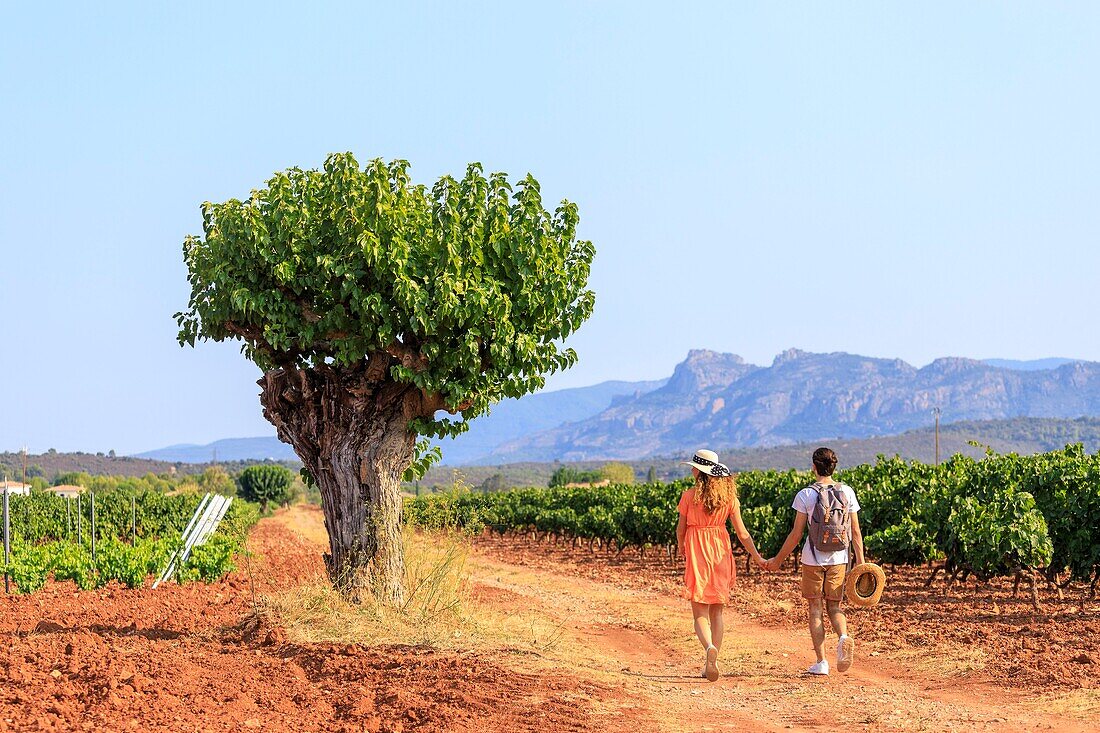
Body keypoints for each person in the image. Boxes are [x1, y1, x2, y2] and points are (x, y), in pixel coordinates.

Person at [765, 447, 864, 676]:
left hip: (812, 559)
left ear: (814, 467)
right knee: (835, 606)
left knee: (815, 608)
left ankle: (822, 662)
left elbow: (796, 534)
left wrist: (778, 560)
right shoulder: (847, 492)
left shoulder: (806, 495)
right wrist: (860, 563)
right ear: (834, 466)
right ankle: (843, 637)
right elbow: (856, 532)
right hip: (839, 558)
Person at [676, 449, 766, 682]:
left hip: (698, 549)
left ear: (699, 471)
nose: (692, 470)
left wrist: (681, 547)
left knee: (699, 612)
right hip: (720, 549)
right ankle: (713, 657)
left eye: (693, 467)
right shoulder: (729, 499)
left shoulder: (689, 496)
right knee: (717, 611)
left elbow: (681, 528)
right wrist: (757, 556)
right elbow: (743, 533)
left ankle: (708, 650)